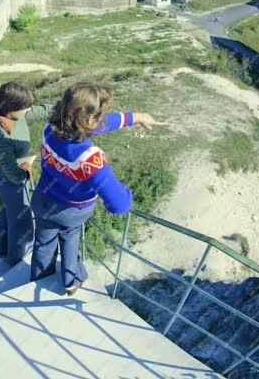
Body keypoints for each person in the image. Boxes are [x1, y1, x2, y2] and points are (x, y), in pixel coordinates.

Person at [30, 83, 161, 295]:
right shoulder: (90, 159)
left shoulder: (49, 130)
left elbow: (98, 125)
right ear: (87, 118)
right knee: (70, 237)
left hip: (43, 200)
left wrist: (135, 117)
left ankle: (36, 282)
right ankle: (71, 282)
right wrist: (127, 194)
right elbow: (119, 205)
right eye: (98, 114)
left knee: (43, 242)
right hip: (71, 213)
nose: (101, 119)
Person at [0, 82, 52, 265]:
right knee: (21, 223)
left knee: (7, 214)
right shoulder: (0, 135)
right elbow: (14, 174)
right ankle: (15, 261)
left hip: (4, 178)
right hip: (11, 182)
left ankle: (1, 249)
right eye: (25, 107)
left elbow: (41, 111)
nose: (28, 110)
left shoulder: (13, 117)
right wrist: (27, 166)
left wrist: (65, 106)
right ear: (11, 108)